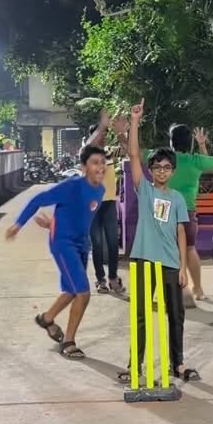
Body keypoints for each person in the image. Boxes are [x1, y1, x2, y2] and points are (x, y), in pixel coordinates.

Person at [4, 144, 106, 362]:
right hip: (63, 244)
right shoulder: (71, 187)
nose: (100, 167)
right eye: (95, 163)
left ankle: (46, 319)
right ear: (83, 166)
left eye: (103, 162)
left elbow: (78, 216)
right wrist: (17, 224)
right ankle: (68, 342)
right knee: (83, 293)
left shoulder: (100, 190)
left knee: (71, 290)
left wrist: (53, 222)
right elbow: (37, 200)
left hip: (81, 244)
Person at [122, 99, 200, 383]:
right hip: (143, 259)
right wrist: (134, 121)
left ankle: (177, 365)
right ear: (151, 170)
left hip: (170, 263)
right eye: (157, 167)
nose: (162, 171)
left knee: (176, 315)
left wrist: (182, 267)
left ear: (173, 170)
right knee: (141, 315)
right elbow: (133, 155)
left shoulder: (177, 198)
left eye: (167, 167)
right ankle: (135, 366)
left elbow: (181, 232)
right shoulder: (144, 190)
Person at [163, 119, 213, 304]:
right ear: (190, 142)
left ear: (171, 142)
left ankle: (183, 290)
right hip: (188, 212)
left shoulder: (164, 159)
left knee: (171, 252)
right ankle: (198, 289)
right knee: (190, 249)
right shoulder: (195, 161)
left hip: (165, 212)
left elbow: (134, 152)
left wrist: (124, 134)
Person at [83, 109, 129, 295]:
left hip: (109, 203)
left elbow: (127, 150)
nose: (103, 138)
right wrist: (102, 127)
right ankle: (100, 280)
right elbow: (88, 146)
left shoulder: (109, 153)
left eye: (104, 135)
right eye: (100, 135)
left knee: (112, 243)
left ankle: (113, 278)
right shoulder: (86, 157)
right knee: (97, 244)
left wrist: (120, 133)